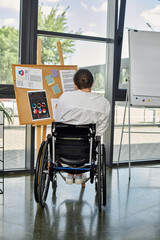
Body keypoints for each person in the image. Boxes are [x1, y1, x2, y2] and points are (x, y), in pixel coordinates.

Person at [55, 68, 110, 184]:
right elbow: (101, 128)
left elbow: (58, 120)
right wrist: (95, 137)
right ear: (93, 83)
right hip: (86, 149)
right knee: (91, 139)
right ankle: (79, 174)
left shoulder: (65, 97)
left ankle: (70, 173)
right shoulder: (103, 102)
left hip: (63, 148)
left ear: (75, 85)